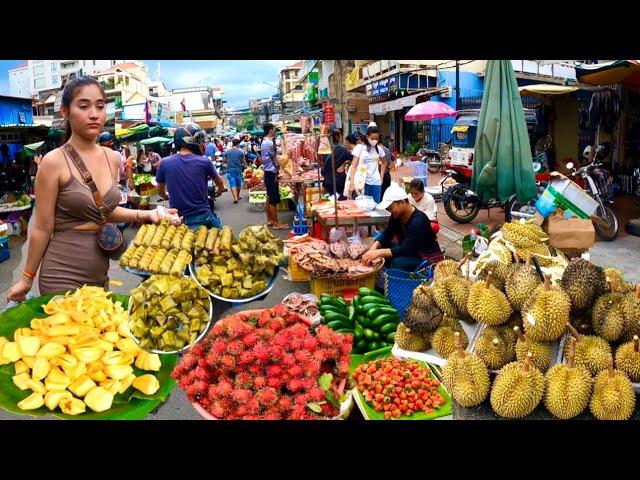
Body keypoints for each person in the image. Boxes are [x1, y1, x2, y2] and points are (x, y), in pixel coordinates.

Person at [7, 76, 177, 301]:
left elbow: (104, 211)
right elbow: (41, 227)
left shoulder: (112, 158)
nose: (94, 114)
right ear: (65, 112)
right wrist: (27, 277)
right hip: (62, 273)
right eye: (84, 106)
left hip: (100, 272)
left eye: (100, 106)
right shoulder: (53, 161)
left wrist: (148, 213)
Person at [156, 122, 227, 230]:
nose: (203, 143)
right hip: (204, 217)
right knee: (223, 237)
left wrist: (166, 196)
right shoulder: (204, 161)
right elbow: (220, 182)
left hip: (179, 220)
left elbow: (160, 191)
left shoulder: (164, 162)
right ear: (192, 140)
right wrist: (220, 190)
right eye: (200, 140)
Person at [362, 182, 440, 272]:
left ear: (402, 202)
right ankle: (386, 271)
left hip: (424, 256)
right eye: (388, 209)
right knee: (381, 244)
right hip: (409, 250)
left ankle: (395, 275)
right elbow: (388, 233)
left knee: (397, 262)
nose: (390, 211)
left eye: (391, 208)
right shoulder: (397, 216)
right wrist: (374, 247)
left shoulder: (419, 220)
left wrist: (378, 253)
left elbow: (406, 249)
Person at [347, 125, 386, 203]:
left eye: (376, 139)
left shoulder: (379, 149)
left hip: (376, 182)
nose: (374, 141)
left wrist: (381, 176)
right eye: (372, 138)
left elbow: (384, 162)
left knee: (375, 206)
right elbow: (354, 166)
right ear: (367, 136)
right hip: (362, 182)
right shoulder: (360, 148)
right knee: (362, 206)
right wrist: (351, 183)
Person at [261, 122, 287, 229]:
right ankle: (276, 223)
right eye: (274, 129)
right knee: (273, 199)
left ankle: (270, 220)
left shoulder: (265, 141)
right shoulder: (269, 143)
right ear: (271, 130)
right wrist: (279, 170)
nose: (275, 130)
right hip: (271, 173)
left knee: (269, 197)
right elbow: (274, 158)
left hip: (268, 172)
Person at [321, 129, 352, 200]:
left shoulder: (325, 149)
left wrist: (344, 163)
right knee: (340, 204)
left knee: (330, 203)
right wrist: (344, 163)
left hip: (328, 181)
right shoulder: (342, 149)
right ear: (338, 137)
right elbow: (354, 159)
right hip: (338, 181)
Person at [223, 138, 246, 204]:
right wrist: (245, 165)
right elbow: (243, 161)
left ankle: (235, 198)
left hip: (230, 169)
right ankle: (238, 196)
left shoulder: (227, 151)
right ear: (238, 144)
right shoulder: (241, 152)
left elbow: (224, 160)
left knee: (232, 183)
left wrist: (228, 161)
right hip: (238, 169)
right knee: (238, 183)